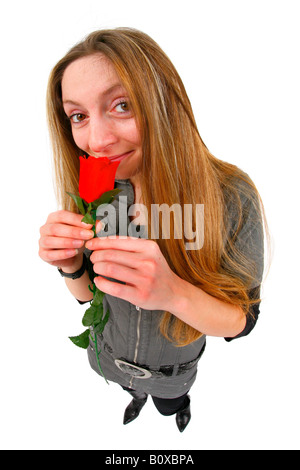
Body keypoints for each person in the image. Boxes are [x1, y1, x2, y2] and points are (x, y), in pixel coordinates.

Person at [39, 28, 266, 432]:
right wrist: (72, 266)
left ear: (163, 99)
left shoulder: (232, 195)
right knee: (134, 392)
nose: (97, 140)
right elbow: (89, 298)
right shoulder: (95, 189)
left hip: (174, 370)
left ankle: (176, 405)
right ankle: (136, 395)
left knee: (168, 402)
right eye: (79, 115)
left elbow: (242, 322)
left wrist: (173, 292)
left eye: (122, 105)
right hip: (107, 357)